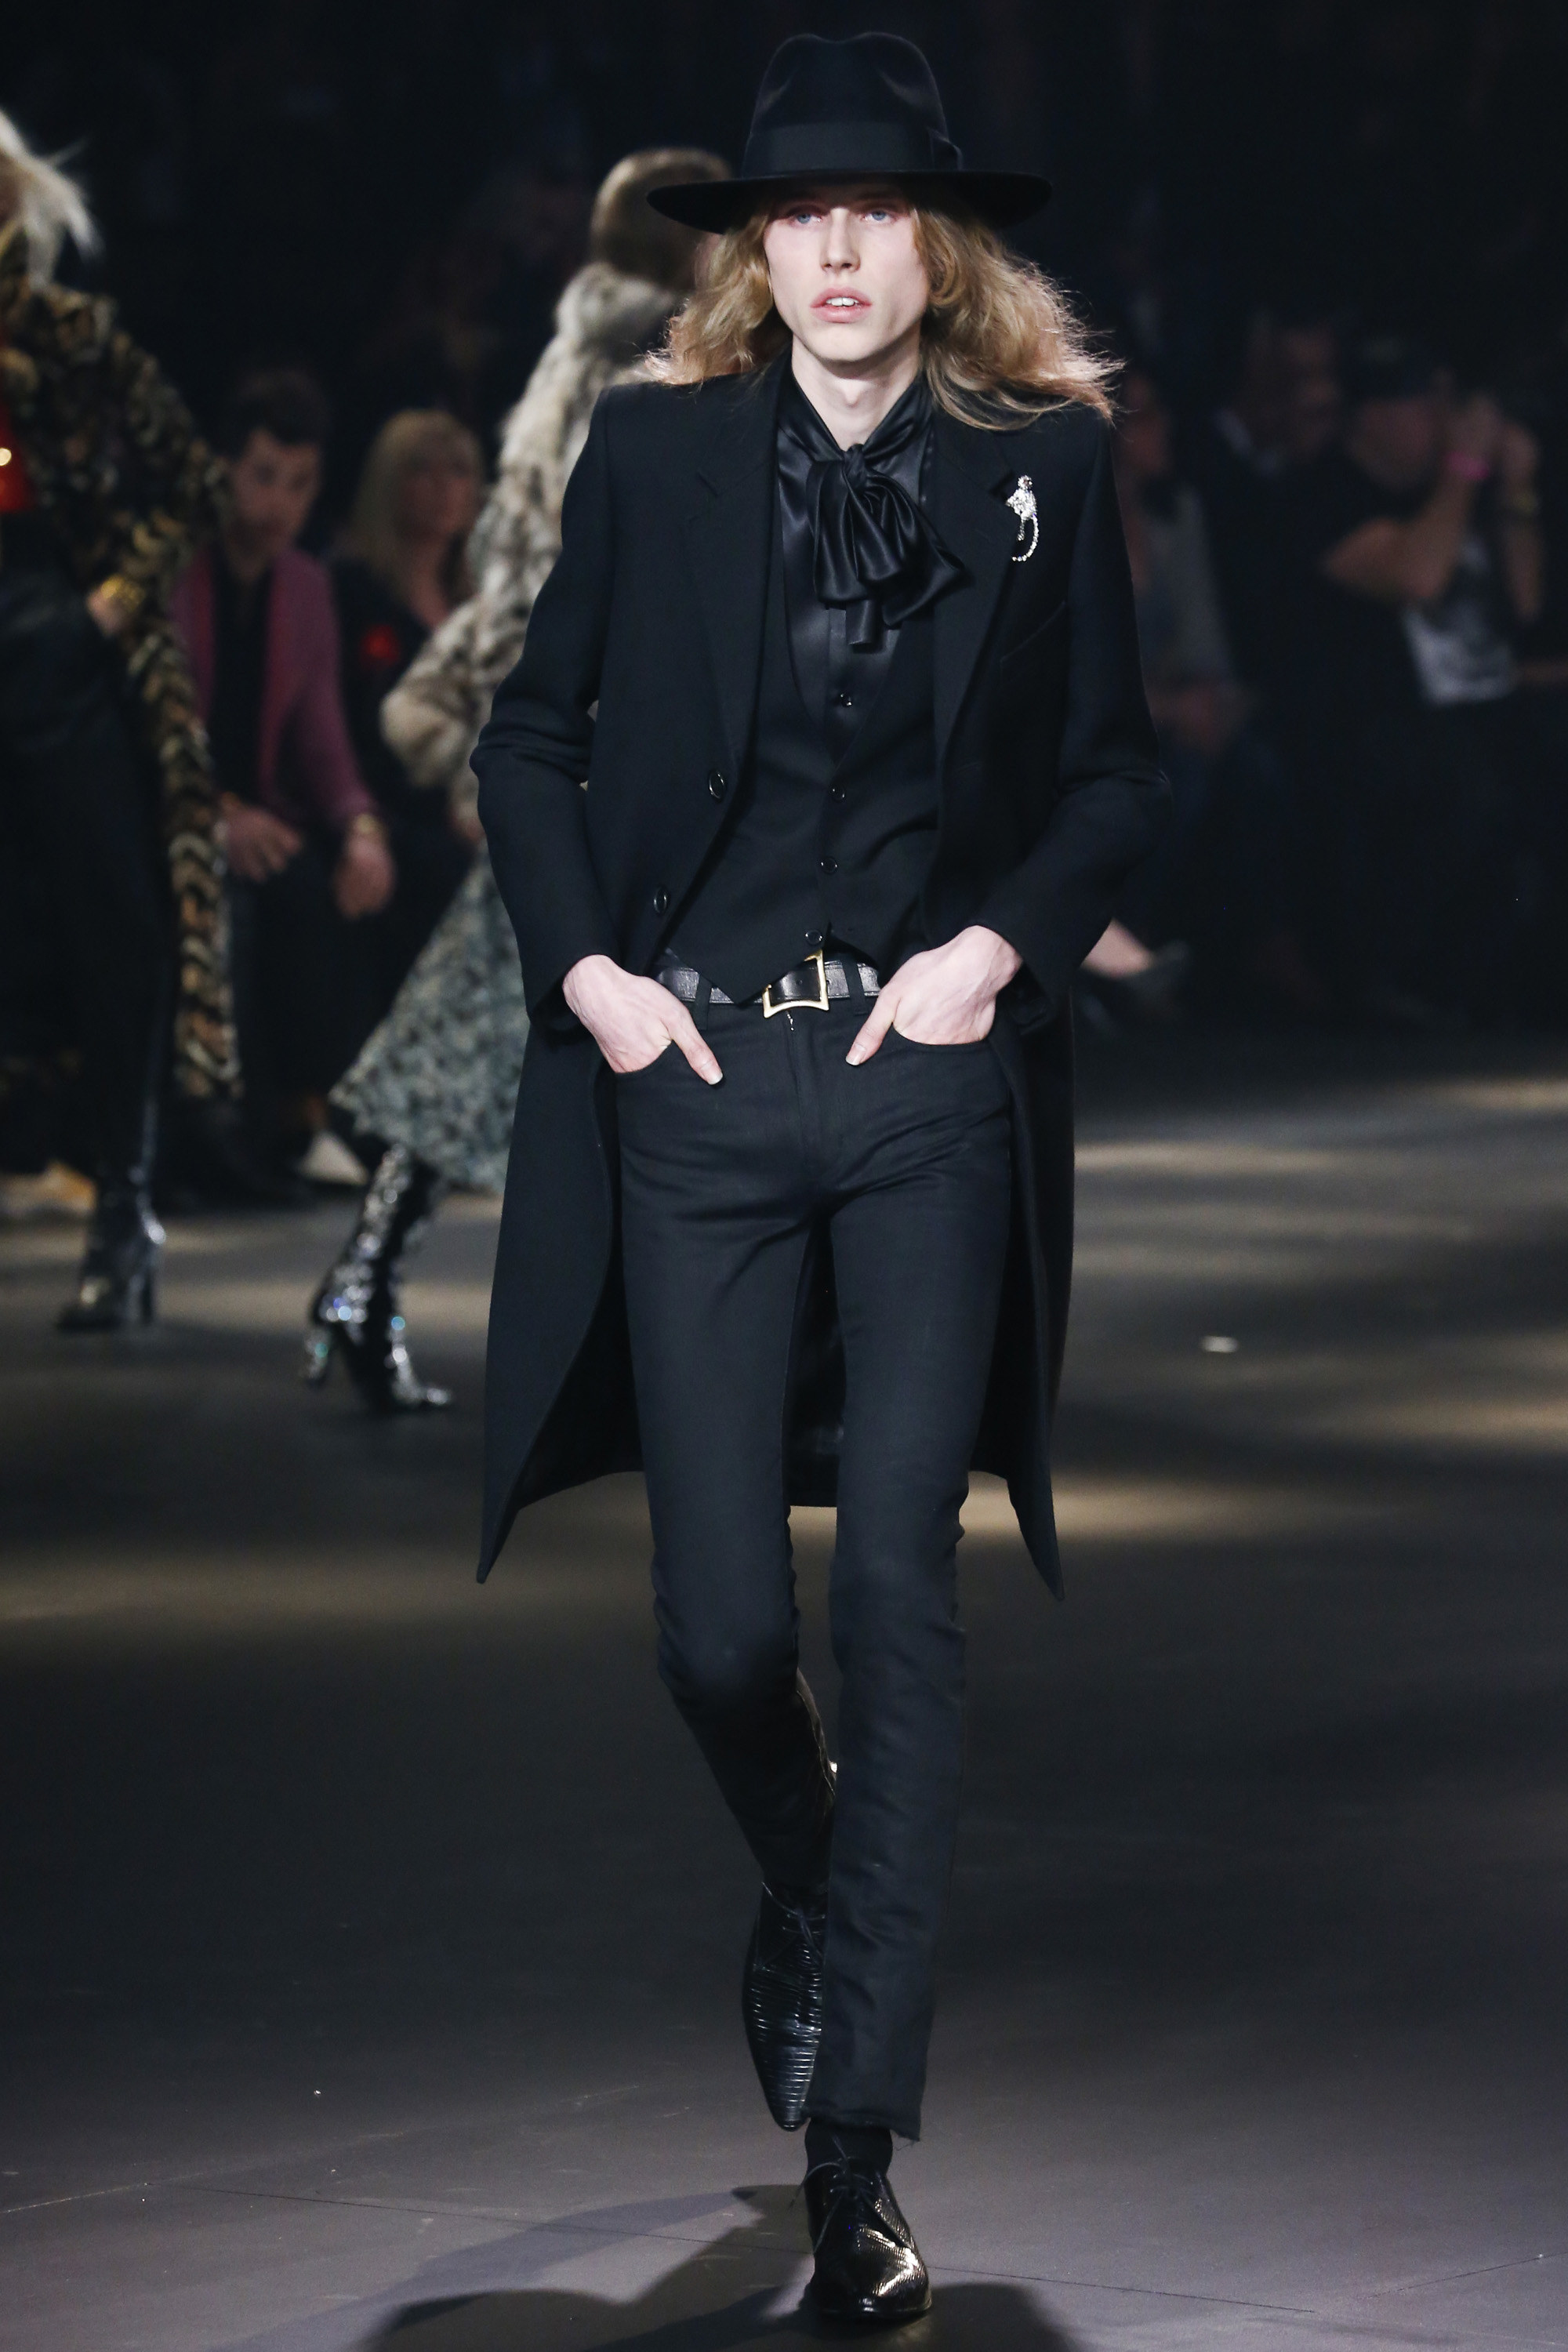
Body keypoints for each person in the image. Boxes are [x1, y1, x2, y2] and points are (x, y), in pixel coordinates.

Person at [470, 35, 1167, 2323]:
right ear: (756, 252)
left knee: (896, 1594)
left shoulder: (1043, 465)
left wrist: (992, 949)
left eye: (875, 208)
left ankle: (854, 2159)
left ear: (934, 244)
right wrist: (592, 982)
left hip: (922, 1087)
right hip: (695, 1084)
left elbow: (1112, 780)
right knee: (716, 1634)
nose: (839, 247)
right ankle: (814, 1880)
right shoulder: (656, 452)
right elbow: (531, 737)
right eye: (798, 213)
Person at [307, 146, 727, 1412]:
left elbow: (515, 575)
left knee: (497, 1030)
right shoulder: (655, 364)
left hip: (573, 744)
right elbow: (593, 576)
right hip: (611, 752)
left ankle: (371, 1286)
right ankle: (389, 1291)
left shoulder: (576, 357)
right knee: (525, 1032)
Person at [0, 112, 234, 1329]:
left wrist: (101, 607)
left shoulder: (71, 337)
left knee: (111, 928)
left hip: (58, 648)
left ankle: (123, 1206)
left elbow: (194, 482)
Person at [171, 371, 397, 1174]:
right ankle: (225, 1134)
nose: (280, 503)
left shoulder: (303, 585)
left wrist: (362, 828)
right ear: (222, 469)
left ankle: (307, 1120)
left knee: (332, 884)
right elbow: (150, 729)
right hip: (171, 812)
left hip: (263, 816)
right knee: (247, 895)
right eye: (263, 476)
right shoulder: (174, 568)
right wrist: (215, 813)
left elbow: (323, 741)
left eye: (300, 484)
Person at [1282, 335, 1544, 1021]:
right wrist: (1464, 467)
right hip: (1373, 719)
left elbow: (1526, 604)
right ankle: (1394, 976)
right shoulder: (1326, 492)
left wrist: (1514, 490)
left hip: (1484, 701)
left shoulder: (1457, 488)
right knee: (1464, 782)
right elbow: (1419, 578)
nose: (1443, 420)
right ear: (1371, 416)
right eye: (1425, 403)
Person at [1113, 365, 1320, 1015]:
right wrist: (1170, 707)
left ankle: (1269, 947)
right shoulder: (1054, 526)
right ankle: (1131, 957)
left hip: (1173, 714)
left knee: (1257, 766)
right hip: (1097, 729)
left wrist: (1207, 704)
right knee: (1173, 781)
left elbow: (1204, 645)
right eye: (1146, 414)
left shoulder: (1176, 515)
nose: (1165, 427)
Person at [331, 410, 484, 1007]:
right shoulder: (352, 591)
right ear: (389, 484)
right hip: (384, 809)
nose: (444, 487)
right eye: (423, 469)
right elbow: (350, 731)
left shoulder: (483, 606)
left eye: (459, 471)